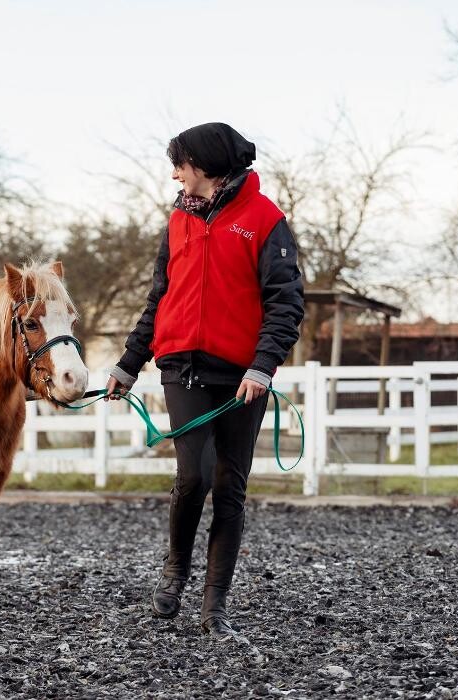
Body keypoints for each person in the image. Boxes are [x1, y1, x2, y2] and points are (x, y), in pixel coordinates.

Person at [105, 122, 304, 638]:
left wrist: (262, 366)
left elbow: (285, 304)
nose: (174, 172)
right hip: (183, 367)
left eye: (181, 162)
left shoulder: (265, 221)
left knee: (229, 484)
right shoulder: (176, 220)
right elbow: (160, 298)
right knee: (194, 474)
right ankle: (176, 570)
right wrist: (129, 363)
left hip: (243, 376)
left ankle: (215, 601)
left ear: (206, 165)